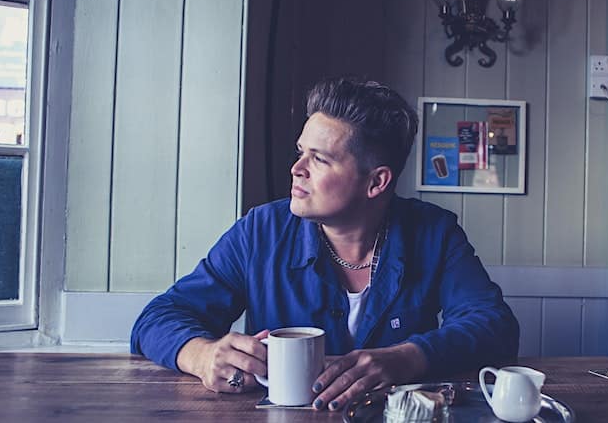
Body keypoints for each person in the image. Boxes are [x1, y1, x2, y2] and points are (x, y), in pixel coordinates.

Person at [131, 77, 520, 412]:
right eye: (301, 152)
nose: (296, 169)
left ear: (376, 182)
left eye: (319, 159)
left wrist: (407, 358)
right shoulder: (259, 231)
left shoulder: (434, 231)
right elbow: (157, 318)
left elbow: (494, 326)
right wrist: (201, 355)